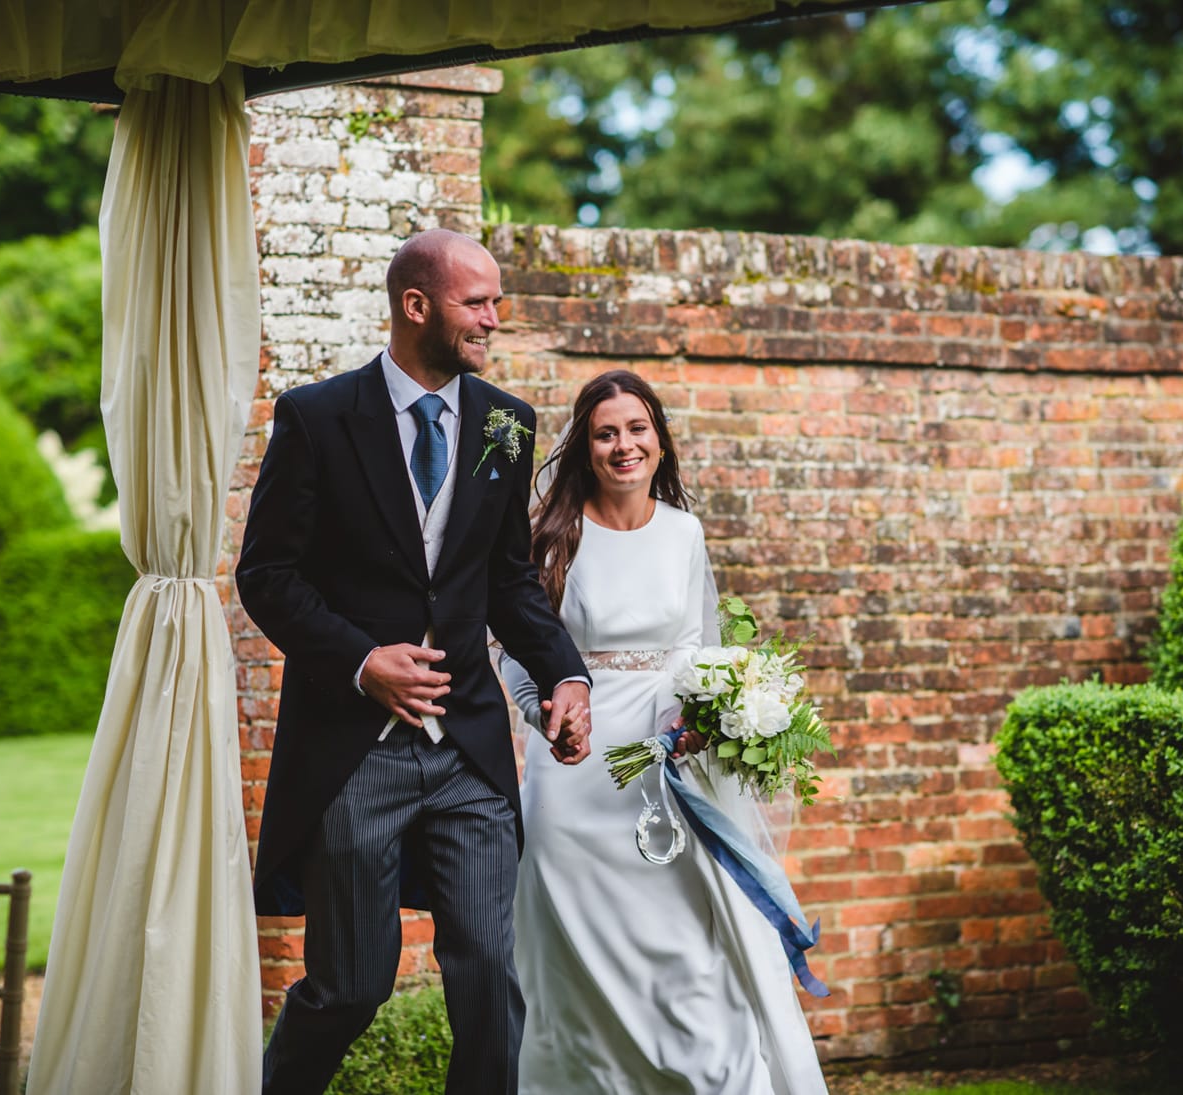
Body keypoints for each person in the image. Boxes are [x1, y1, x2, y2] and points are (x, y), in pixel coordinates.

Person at [235, 228, 593, 1095]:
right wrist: (363, 661)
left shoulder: (506, 423)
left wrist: (567, 674)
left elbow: (506, 579)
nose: (494, 320)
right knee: (350, 984)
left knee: (487, 975)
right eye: (478, 303)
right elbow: (266, 575)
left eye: (495, 302)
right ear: (416, 305)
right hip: (357, 750)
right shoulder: (317, 418)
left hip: (469, 750)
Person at [501, 370, 829, 1094]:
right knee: (578, 957)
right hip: (573, 775)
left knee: (689, 945)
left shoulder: (685, 532)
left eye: (637, 428)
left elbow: (693, 645)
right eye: (607, 432)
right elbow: (517, 654)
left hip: (665, 765)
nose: (624, 445)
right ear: (585, 447)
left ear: (659, 438)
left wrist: (700, 715)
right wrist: (547, 716)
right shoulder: (555, 536)